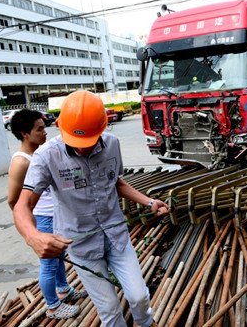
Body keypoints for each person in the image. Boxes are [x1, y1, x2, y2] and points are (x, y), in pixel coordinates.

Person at [13, 91, 169, 327]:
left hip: (116, 237)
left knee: (139, 296)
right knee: (109, 309)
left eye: (90, 141)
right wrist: (32, 236)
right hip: (81, 244)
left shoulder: (112, 144)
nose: (84, 149)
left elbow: (116, 182)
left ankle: (145, 323)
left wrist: (148, 202)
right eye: (77, 144)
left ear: (103, 128)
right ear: (59, 126)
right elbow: (22, 204)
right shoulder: (46, 157)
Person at [7, 109, 86, 319]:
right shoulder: (21, 161)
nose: (45, 133)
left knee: (59, 257)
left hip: (56, 215)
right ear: (25, 133)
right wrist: (29, 230)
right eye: (40, 129)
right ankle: (53, 306)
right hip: (44, 217)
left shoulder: (40, 154)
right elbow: (13, 201)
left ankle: (64, 289)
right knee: (49, 263)